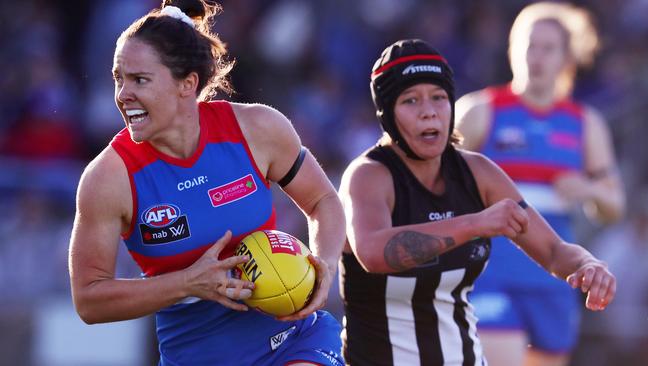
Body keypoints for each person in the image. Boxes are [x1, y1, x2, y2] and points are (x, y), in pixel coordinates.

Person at [68, 1, 346, 365]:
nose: (123, 94)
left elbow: (323, 199)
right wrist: (186, 283)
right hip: (198, 352)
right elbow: (89, 299)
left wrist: (322, 264)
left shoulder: (259, 128)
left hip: (293, 336)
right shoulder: (108, 177)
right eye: (118, 79)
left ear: (187, 84)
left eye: (139, 80)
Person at [337, 38, 616, 366]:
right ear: (386, 114)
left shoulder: (478, 172)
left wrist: (587, 265)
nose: (429, 111)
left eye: (439, 98)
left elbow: (554, 251)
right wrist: (475, 223)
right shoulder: (369, 176)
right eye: (410, 100)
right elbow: (373, 252)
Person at [455, 3, 625, 366]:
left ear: (568, 57)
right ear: (512, 50)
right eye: (529, 45)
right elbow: (432, 177)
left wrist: (588, 189)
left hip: (555, 275)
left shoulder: (585, 124)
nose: (537, 56)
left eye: (548, 48)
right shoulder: (480, 111)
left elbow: (614, 206)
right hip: (491, 269)